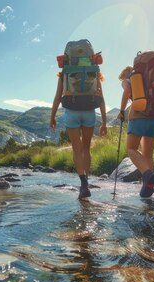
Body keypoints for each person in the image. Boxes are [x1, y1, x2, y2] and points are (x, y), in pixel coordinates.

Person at [50, 62, 107, 200]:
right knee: (86, 148)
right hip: (89, 112)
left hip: (72, 112)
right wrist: (104, 122)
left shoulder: (65, 74)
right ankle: (86, 181)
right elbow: (101, 99)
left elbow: (58, 97)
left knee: (76, 149)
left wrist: (52, 117)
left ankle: (83, 184)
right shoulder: (94, 72)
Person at [117, 66, 154, 198]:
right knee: (147, 155)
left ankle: (147, 175)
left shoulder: (128, 80)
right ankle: (148, 189)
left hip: (138, 118)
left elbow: (127, 91)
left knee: (131, 149)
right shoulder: (149, 80)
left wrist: (121, 111)